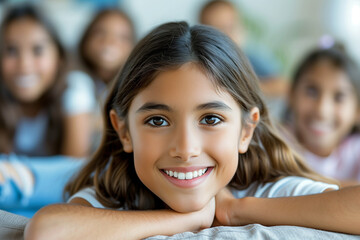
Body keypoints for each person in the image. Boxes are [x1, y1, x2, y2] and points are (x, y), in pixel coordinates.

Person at [24, 22, 360, 240]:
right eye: (157, 121)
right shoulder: (116, 195)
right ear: (124, 131)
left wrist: (235, 210)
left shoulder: (263, 191)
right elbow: (46, 230)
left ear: (246, 131)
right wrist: (187, 219)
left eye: (211, 119)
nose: (185, 149)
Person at [0, 4, 95, 217]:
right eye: (11, 51)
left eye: (38, 50)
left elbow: (73, 172)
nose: (24, 65)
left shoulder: (75, 88)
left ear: (58, 57)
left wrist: (12, 173)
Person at [283, 46, 360, 186]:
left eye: (339, 97)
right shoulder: (275, 143)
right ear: (291, 95)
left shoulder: (356, 152)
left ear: (357, 111)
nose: (322, 110)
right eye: (312, 91)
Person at [77, 8, 135, 150]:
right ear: (85, 40)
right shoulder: (75, 83)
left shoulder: (135, 89)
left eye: (122, 37)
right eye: (100, 33)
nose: (110, 41)